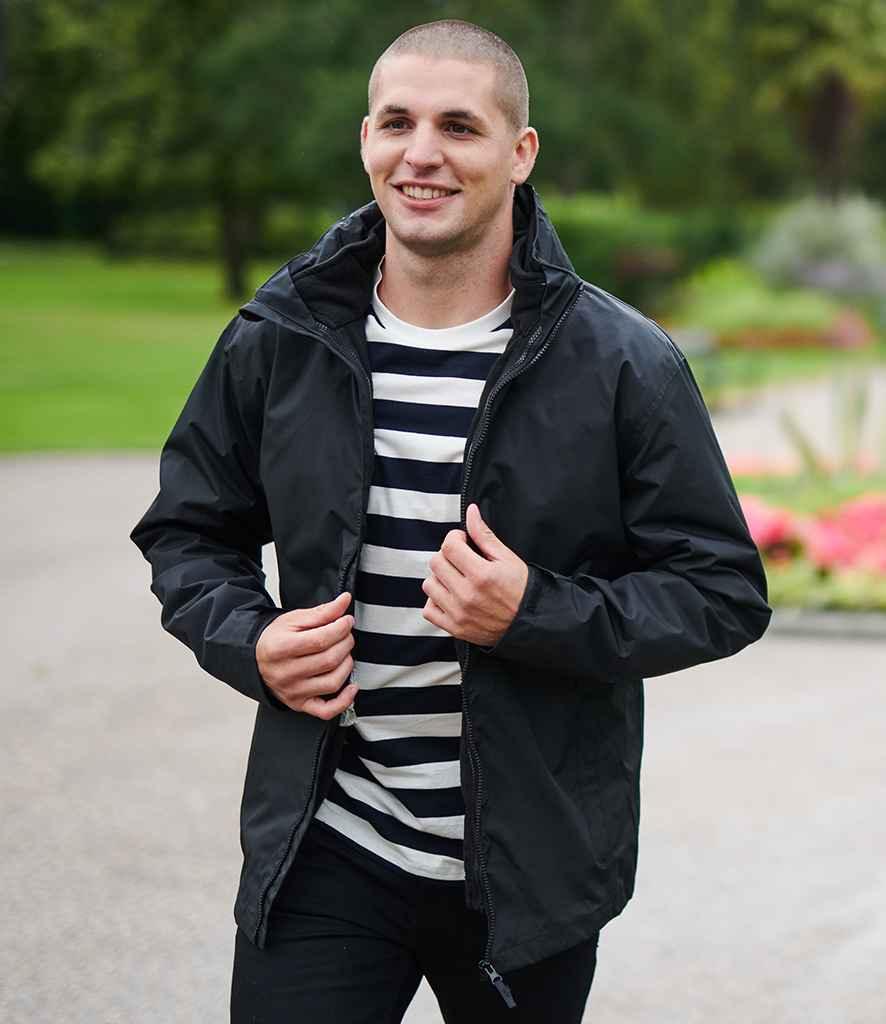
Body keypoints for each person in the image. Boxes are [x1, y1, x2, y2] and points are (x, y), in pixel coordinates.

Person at [130, 18, 771, 1023]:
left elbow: (721, 590)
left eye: (459, 127)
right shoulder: (281, 334)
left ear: (520, 153)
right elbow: (188, 530)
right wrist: (247, 639)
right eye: (397, 122)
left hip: (527, 870)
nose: (420, 152)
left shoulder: (622, 362)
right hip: (330, 841)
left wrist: (533, 611)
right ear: (366, 140)